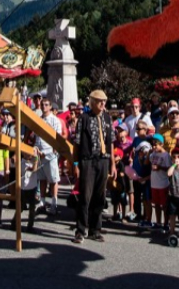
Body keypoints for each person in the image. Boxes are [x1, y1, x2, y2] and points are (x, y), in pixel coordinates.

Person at [73, 88, 114, 244]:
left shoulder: (108, 118)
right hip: (87, 161)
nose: (103, 104)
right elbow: (76, 143)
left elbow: (110, 142)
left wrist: (113, 164)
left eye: (104, 101)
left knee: (100, 197)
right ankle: (80, 230)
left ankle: (95, 230)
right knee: (85, 196)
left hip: (103, 160)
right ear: (92, 102)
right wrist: (75, 163)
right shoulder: (83, 118)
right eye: (99, 101)